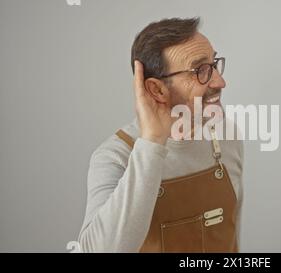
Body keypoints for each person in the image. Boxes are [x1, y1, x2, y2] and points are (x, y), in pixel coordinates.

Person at [78, 17, 244, 253]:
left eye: (214, 65)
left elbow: (232, 237)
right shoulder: (114, 156)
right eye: (200, 71)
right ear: (157, 89)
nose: (220, 81)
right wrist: (153, 142)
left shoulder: (227, 137)